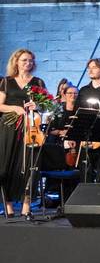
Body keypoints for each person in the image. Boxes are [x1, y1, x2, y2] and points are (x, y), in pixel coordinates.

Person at [0, 49, 45, 218]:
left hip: (30, 127)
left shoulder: (38, 82)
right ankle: (9, 205)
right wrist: (15, 108)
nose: (28, 63)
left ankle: (26, 205)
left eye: (31, 60)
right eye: (24, 60)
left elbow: (47, 106)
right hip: (8, 127)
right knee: (7, 165)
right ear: (16, 62)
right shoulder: (6, 81)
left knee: (29, 165)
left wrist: (38, 106)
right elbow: (0, 105)